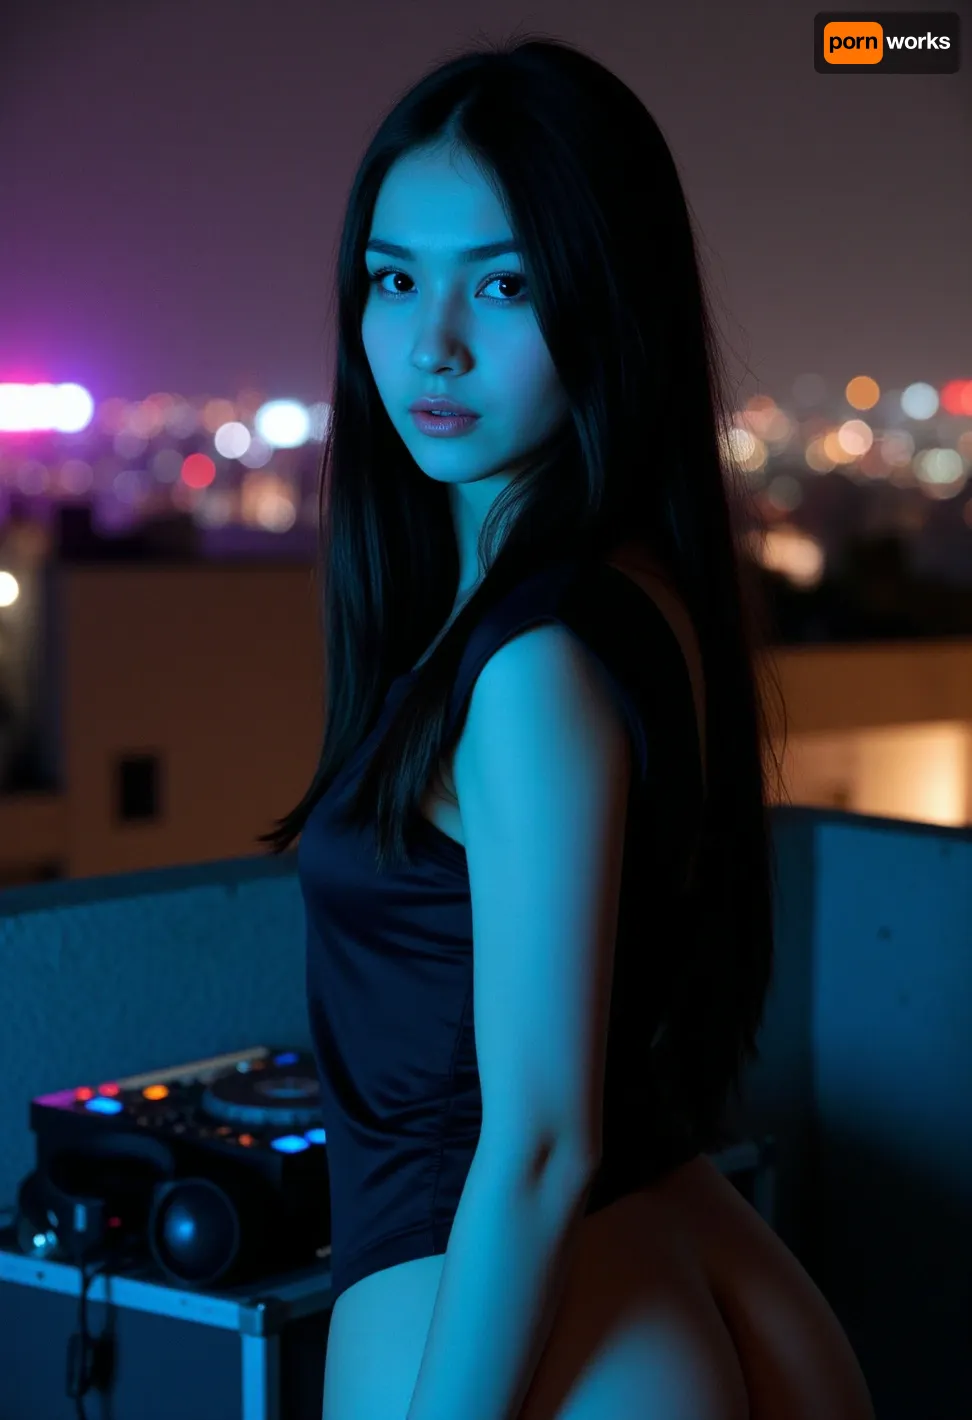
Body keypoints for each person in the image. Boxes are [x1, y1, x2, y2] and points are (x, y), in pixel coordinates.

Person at [258, 31, 876, 1420]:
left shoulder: (531, 668)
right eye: (394, 278)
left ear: (609, 301)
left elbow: (540, 1144)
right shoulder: (632, 597)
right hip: (690, 1265)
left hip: (518, 1335)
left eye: (506, 282)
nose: (433, 342)